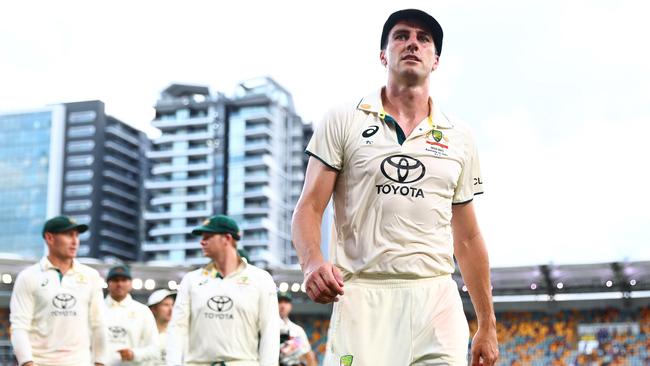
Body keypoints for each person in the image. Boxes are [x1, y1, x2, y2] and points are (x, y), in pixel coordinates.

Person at [291, 9, 499, 366]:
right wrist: (312, 264)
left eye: (424, 39)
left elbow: (467, 238)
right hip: (364, 295)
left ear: (436, 60)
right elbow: (309, 208)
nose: (413, 44)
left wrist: (487, 324)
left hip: (436, 299)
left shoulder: (460, 136)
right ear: (384, 55)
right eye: (401, 36)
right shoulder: (344, 118)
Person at [166, 215, 279, 366]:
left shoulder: (260, 279)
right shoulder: (191, 280)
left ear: (227, 238)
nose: (202, 241)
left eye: (208, 236)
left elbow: (269, 330)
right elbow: (177, 328)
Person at [9, 215, 108, 365]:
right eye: (68, 235)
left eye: (77, 235)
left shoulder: (91, 276)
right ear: (49, 237)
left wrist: (100, 362)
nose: (75, 241)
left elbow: (99, 324)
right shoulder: (28, 277)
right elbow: (19, 327)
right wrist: (27, 363)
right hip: (41, 362)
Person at [104, 265, 159, 365]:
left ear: (130, 284)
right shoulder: (96, 308)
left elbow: (155, 349)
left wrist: (134, 354)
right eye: (115, 280)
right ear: (108, 283)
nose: (119, 284)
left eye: (124, 280)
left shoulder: (142, 311)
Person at [277, 292, 317, 366]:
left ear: (290, 306)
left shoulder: (297, 331)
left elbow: (309, 356)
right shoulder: (265, 327)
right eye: (279, 302)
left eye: (286, 302)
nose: (282, 305)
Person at [147, 289, 176, 365]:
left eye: (172, 305)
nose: (171, 309)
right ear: (153, 309)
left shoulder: (178, 334)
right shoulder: (144, 333)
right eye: (166, 305)